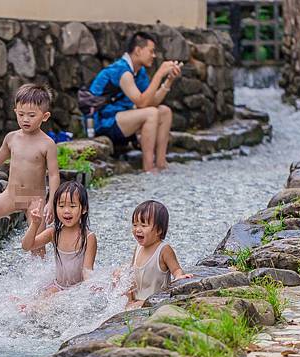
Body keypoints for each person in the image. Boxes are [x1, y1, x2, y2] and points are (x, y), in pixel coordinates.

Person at [0, 83, 60, 269]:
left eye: (32, 115)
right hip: (12, 194)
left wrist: (51, 202)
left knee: (36, 243)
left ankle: (40, 277)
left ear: (45, 117)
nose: (25, 119)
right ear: (15, 111)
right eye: (21, 114)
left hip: (35, 199)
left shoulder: (47, 144)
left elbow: (54, 175)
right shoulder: (12, 138)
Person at [89, 32, 181, 172]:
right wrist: (159, 74)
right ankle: (149, 168)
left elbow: (151, 102)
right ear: (138, 50)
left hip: (122, 118)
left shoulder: (140, 72)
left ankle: (161, 164)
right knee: (151, 114)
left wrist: (168, 81)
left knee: (164, 112)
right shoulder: (122, 71)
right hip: (103, 122)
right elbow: (142, 103)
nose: (154, 55)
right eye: (151, 51)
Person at [22, 181, 97, 294]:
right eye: (61, 206)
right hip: (58, 286)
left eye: (72, 206)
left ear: (84, 209)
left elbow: (87, 271)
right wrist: (35, 225)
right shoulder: (54, 232)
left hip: (78, 288)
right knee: (37, 306)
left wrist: (91, 288)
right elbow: (26, 246)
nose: (66, 210)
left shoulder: (88, 237)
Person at [122, 200, 192, 309]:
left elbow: (176, 270)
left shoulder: (164, 250)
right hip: (135, 301)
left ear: (159, 230)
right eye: (135, 225)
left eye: (143, 226)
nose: (137, 229)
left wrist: (179, 277)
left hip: (154, 303)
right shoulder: (138, 248)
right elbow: (132, 274)